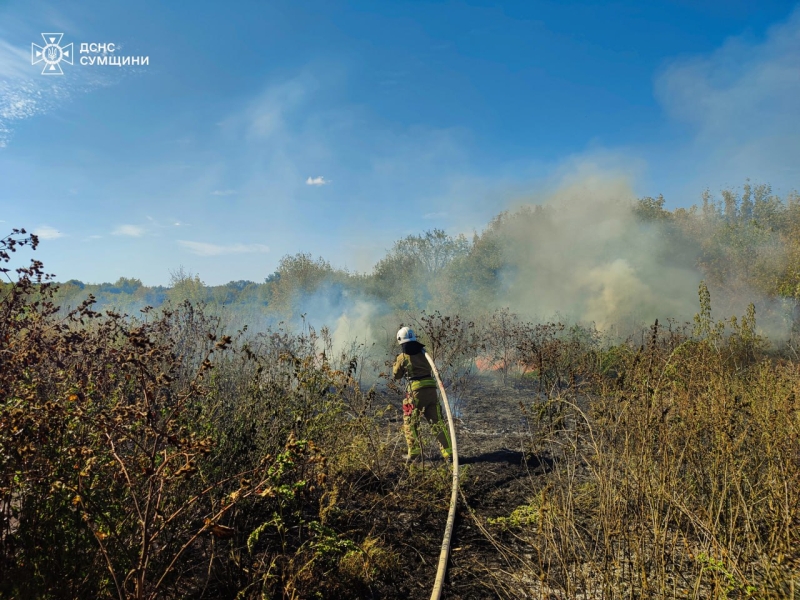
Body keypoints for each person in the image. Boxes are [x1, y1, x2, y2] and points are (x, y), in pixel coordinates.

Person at [392, 326, 452, 461]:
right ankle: (449, 454)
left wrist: (397, 363)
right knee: (437, 423)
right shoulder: (425, 354)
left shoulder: (402, 357)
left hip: (415, 393)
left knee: (410, 422)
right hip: (431, 392)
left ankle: (414, 454)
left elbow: (396, 375)